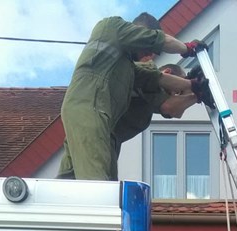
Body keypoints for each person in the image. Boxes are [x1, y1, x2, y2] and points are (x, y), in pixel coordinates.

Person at [58, 13, 210, 180]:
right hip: (89, 112)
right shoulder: (112, 27)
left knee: (71, 183)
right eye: (147, 48)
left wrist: (193, 86)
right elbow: (162, 42)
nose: (149, 54)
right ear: (140, 33)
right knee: (97, 183)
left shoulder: (127, 68)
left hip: (100, 127)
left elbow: (159, 79)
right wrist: (188, 48)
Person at [110, 61, 198, 178]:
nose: (174, 95)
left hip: (107, 146)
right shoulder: (147, 75)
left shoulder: (146, 105)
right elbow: (170, 108)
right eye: (176, 90)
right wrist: (196, 90)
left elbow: (177, 111)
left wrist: (193, 91)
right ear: (167, 73)